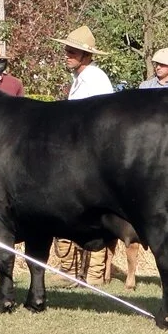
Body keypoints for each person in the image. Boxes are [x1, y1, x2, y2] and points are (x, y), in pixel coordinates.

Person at [50, 25, 113, 286]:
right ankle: (70, 272)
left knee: (91, 215)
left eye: (73, 51)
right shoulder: (80, 79)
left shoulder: (96, 80)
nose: (67, 53)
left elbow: (103, 120)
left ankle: (94, 275)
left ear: (86, 55)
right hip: (75, 156)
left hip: (90, 158)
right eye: (67, 49)